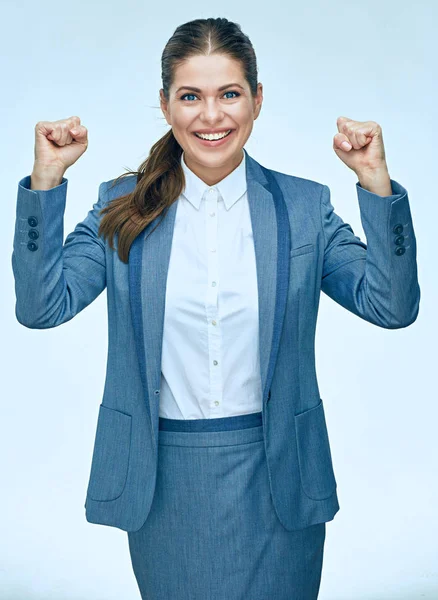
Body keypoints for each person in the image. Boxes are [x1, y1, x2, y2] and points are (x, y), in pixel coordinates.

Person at [12, 16, 420, 600]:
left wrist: (376, 185)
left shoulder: (304, 209)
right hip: (164, 482)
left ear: (257, 100)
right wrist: (47, 181)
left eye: (229, 94)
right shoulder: (120, 207)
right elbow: (42, 305)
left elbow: (392, 305)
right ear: (165, 105)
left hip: (278, 477)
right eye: (190, 97)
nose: (211, 116)